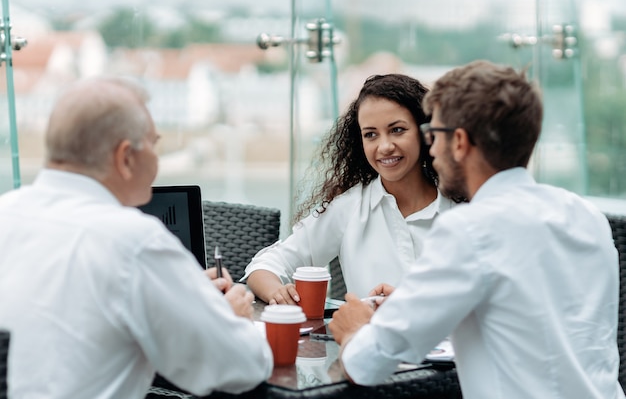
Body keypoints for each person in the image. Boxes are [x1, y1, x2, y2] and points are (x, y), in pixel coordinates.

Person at [328, 60, 625, 399]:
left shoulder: (468, 231)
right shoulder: (586, 216)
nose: (432, 150)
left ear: (459, 141)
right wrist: (419, 304)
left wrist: (355, 330)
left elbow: (366, 365)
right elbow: (531, 326)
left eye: (434, 135)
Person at [0, 77, 273, 399]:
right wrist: (232, 319)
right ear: (126, 157)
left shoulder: (7, 211)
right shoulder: (133, 242)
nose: (158, 160)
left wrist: (183, 292)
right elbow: (241, 369)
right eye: (155, 144)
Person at [243, 74, 456, 304]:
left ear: (425, 132)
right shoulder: (350, 207)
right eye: (371, 135)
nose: (384, 146)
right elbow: (268, 264)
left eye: (397, 130)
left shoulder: (461, 208)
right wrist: (277, 292)